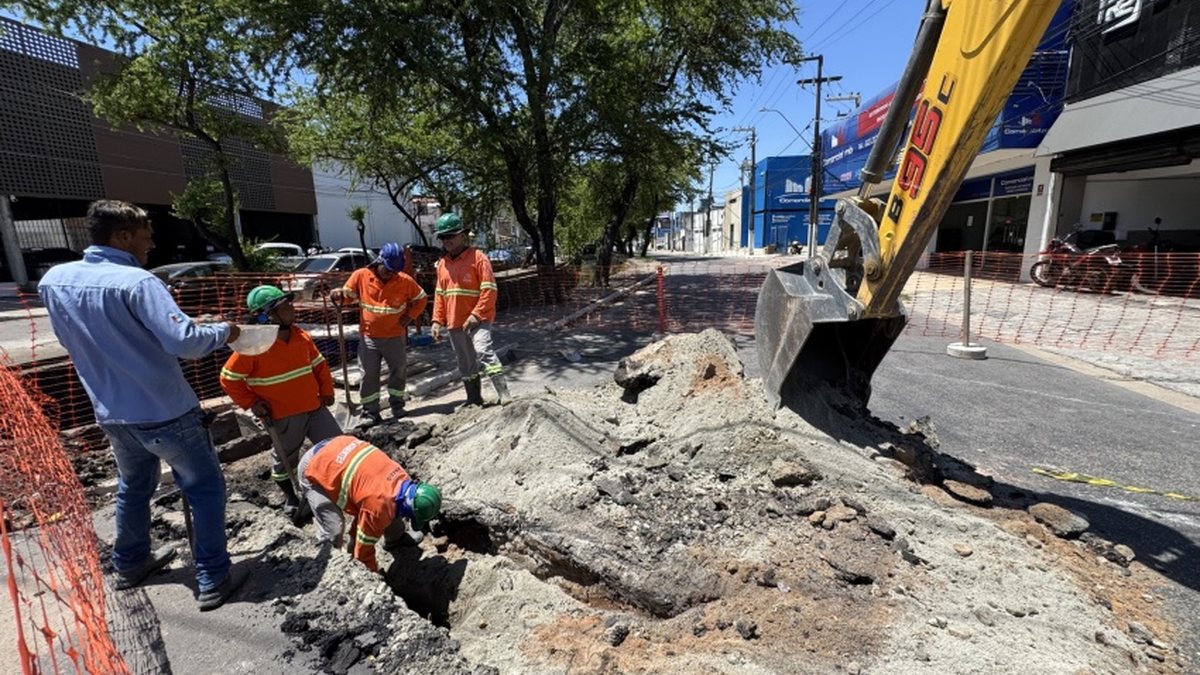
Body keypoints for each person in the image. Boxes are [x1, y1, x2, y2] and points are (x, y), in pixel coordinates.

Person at [38, 200, 247, 611]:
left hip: (112, 413)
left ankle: (129, 563)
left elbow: (74, 341)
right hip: (164, 410)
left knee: (134, 486)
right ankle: (212, 576)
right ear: (122, 236)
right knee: (204, 490)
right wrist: (225, 330)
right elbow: (185, 343)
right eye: (146, 234)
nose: (152, 242)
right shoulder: (138, 283)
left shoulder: (55, 280)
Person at [219, 285, 341, 517]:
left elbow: (319, 364)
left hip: (314, 408)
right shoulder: (252, 346)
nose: (291, 307)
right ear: (267, 315)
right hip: (283, 415)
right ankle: (292, 497)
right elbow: (229, 378)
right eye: (284, 305)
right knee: (285, 459)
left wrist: (326, 389)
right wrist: (252, 403)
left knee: (337, 445)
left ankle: (337, 486)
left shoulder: (300, 336)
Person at [297, 434, 442, 572]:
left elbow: (375, 508)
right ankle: (329, 566)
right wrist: (372, 575)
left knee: (392, 506)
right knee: (334, 529)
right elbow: (363, 550)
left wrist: (355, 536)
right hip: (314, 466)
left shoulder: (403, 478)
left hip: (339, 447)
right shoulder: (378, 506)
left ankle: (395, 539)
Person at [330, 243, 427, 426]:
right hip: (370, 337)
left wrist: (410, 316)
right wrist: (338, 295)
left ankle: (397, 405)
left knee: (398, 371)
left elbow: (421, 299)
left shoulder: (404, 280)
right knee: (368, 375)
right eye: (388, 270)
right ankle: (370, 412)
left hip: (394, 336)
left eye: (394, 271)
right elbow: (347, 295)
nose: (391, 274)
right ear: (379, 261)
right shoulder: (361, 276)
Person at [430, 213, 509, 407]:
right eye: (443, 237)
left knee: (483, 350)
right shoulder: (442, 264)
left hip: (479, 319)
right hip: (454, 321)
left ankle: (504, 393)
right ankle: (473, 398)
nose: (447, 241)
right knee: (465, 362)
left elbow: (489, 289)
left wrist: (476, 314)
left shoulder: (478, 258)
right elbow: (440, 294)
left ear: (463, 235)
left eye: (451, 236)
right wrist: (436, 321)